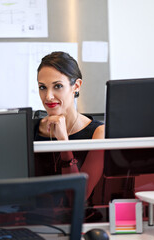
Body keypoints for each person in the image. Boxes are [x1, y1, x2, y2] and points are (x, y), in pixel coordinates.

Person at [34, 51, 105, 202]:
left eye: (57, 86)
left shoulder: (98, 133)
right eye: (42, 87)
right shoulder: (30, 130)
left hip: (81, 221)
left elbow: (78, 196)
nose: (48, 96)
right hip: (33, 220)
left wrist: (64, 143)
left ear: (76, 86)